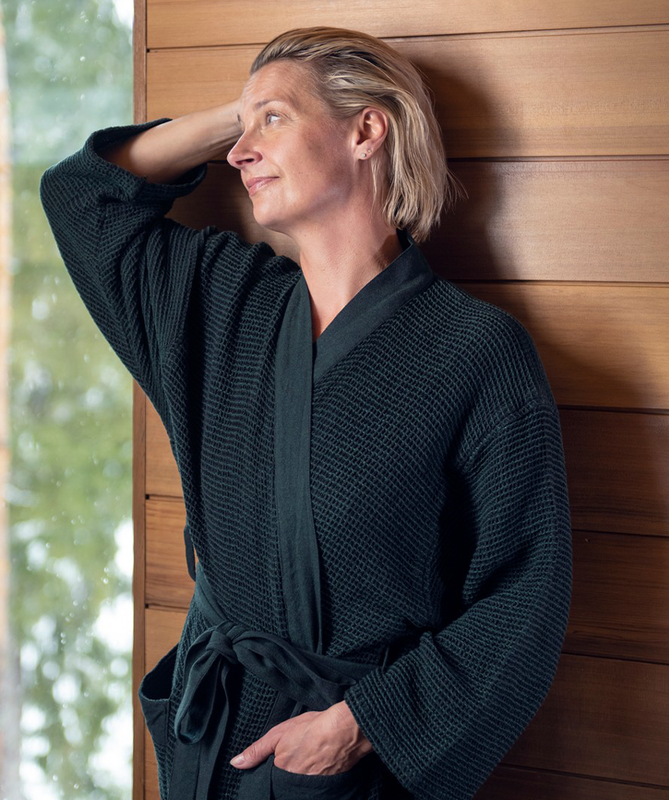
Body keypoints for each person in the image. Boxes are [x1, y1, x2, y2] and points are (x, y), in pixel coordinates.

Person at [39, 25, 572, 800]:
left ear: (366, 129)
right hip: (209, 742)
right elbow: (80, 195)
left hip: (352, 762)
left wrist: (360, 726)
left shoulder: (477, 353)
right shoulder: (221, 303)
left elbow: (527, 593)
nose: (238, 152)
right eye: (239, 130)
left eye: (273, 122)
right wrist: (250, 110)